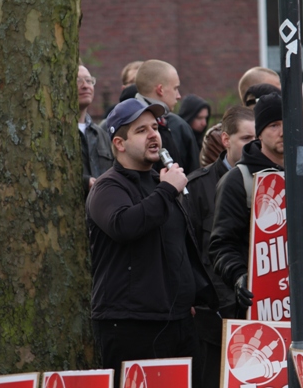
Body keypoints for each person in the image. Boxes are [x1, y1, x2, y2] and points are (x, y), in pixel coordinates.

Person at [86, 98, 217, 388]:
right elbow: (124, 225)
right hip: (132, 324)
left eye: (155, 127)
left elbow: (180, 245)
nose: (153, 135)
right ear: (119, 143)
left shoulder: (162, 183)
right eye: (141, 130)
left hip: (178, 321)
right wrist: (167, 190)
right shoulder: (110, 186)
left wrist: (190, 295)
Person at [185, 105, 255, 388]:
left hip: (256, 310)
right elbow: (190, 251)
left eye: (257, 138)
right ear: (226, 140)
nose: (255, 146)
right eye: (246, 139)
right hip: (213, 317)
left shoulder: (270, 182)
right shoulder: (197, 187)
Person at [210, 93, 285, 318]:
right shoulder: (238, 180)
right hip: (261, 306)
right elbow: (221, 245)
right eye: (274, 125)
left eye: (288, 124)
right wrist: (240, 275)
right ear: (259, 132)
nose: (283, 131)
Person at [135, 59, 200, 173]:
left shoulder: (178, 125)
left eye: (154, 128)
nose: (178, 96)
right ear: (160, 90)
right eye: (175, 88)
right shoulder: (128, 124)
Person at [77, 65, 113, 194]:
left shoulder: (102, 135)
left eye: (88, 80)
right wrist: (84, 182)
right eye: (78, 81)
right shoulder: (57, 134)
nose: (85, 86)